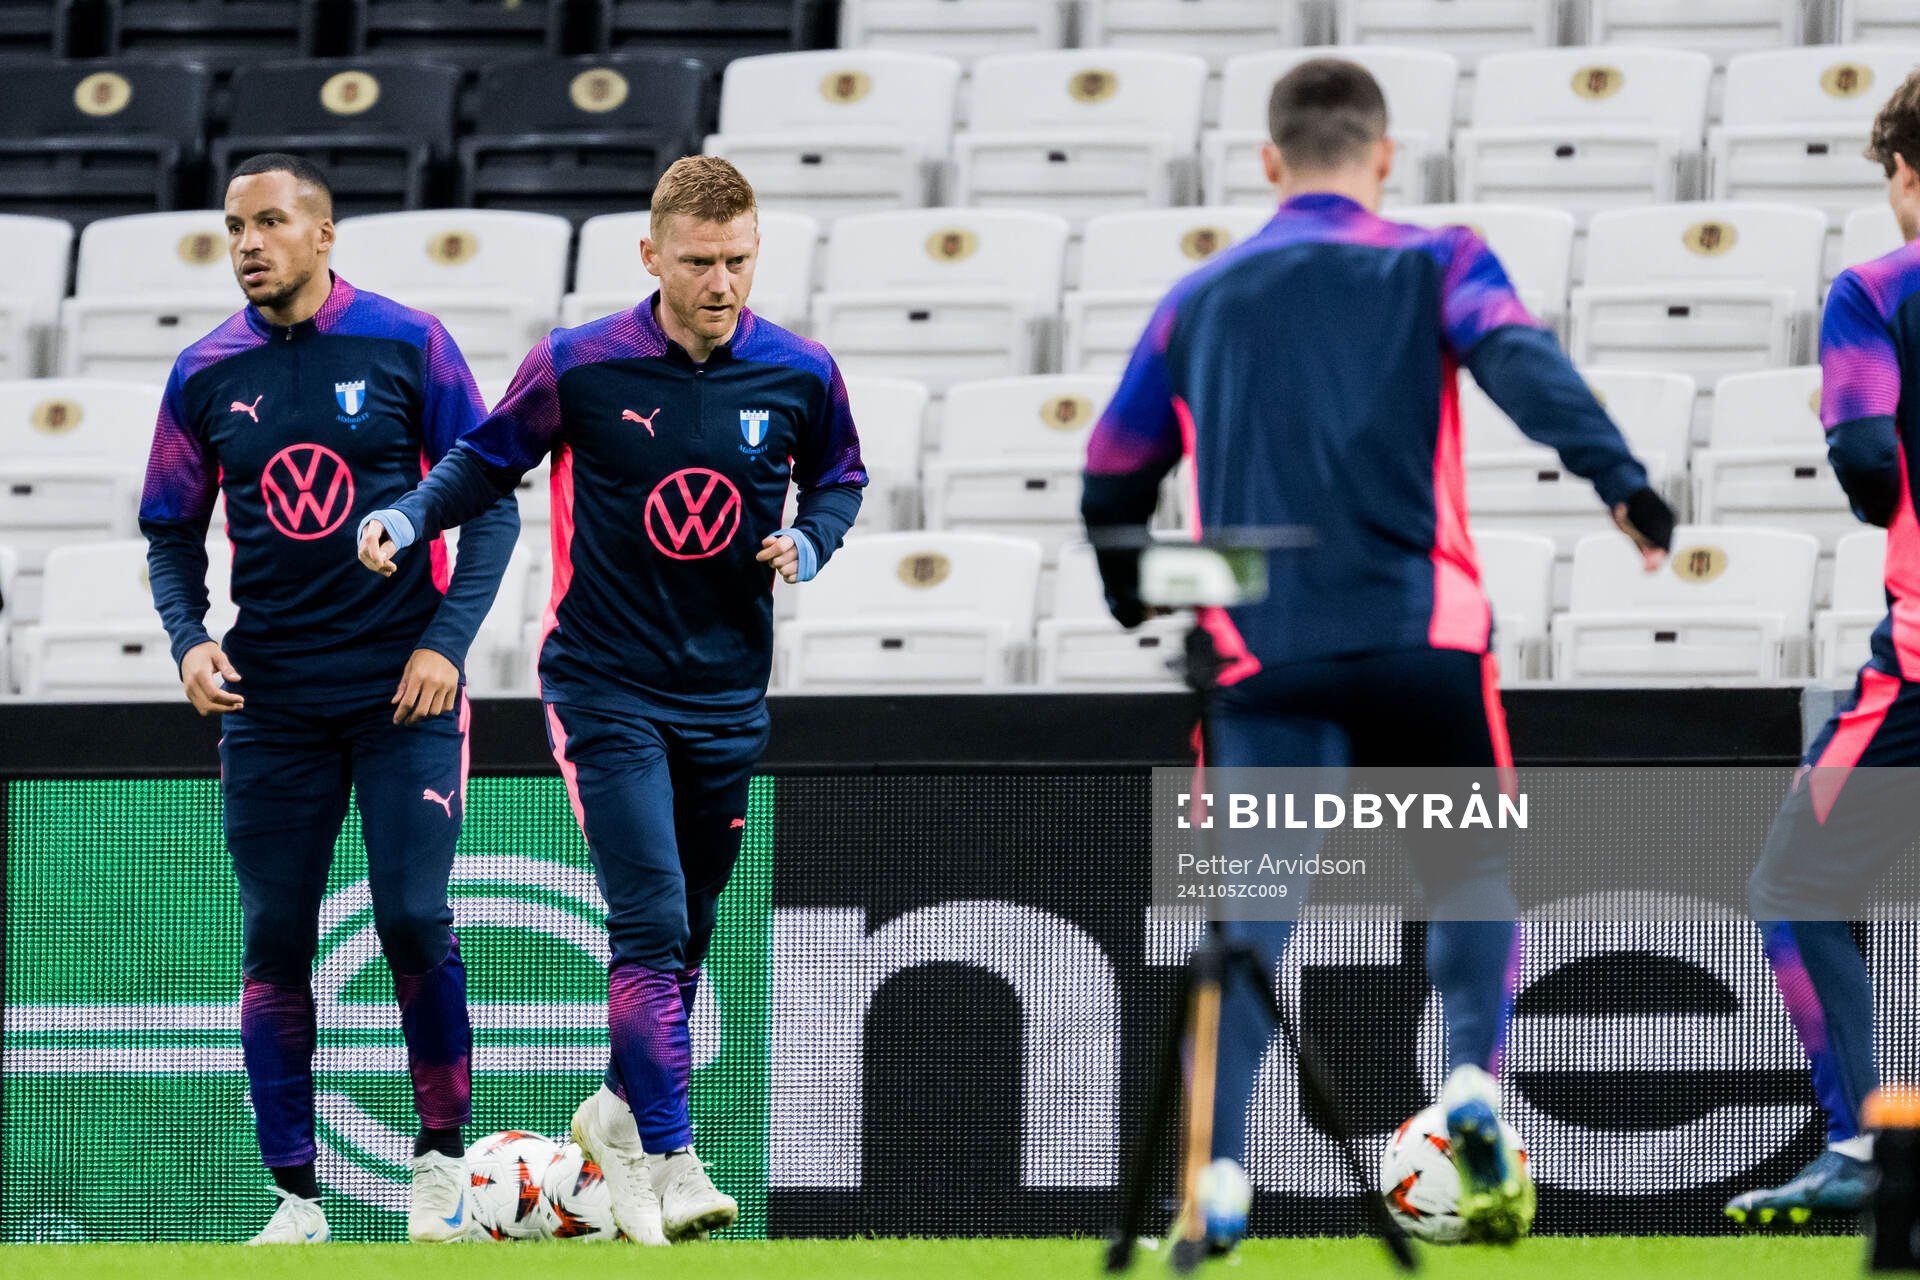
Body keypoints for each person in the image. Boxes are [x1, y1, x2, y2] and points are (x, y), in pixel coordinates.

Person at [1079, 60, 1674, 1245]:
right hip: (1422, 639)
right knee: (1472, 871)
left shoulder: (1197, 298)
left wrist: (1134, 591)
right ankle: (1470, 1078)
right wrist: (1624, 482)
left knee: (1249, 918)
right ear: (1385, 155)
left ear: (1270, 160)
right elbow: (1524, 362)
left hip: (1266, 653)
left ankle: (1216, 1178)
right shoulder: (1438, 260)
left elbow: (1111, 471)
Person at [355, 155, 867, 1245]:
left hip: (726, 692)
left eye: (738, 260)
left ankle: (614, 1116)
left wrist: (814, 539)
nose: (721, 282)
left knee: (691, 934)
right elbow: (483, 461)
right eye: (700, 261)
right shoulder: (578, 364)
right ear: (651, 257)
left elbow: (839, 477)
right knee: (652, 921)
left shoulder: (799, 370)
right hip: (603, 684)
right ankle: (673, 1161)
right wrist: (409, 515)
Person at [139, 153, 519, 1244]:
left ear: (324, 232)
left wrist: (444, 644)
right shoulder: (204, 371)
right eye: (234, 227)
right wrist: (188, 640)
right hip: (270, 702)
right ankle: (296, 1198)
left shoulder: (409, 343)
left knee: (411, 918)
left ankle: (441, 1164)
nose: (248, 243)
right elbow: (169, 532)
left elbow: (491, 504)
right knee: (275, 938)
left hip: (403, 691)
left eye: (269, 222)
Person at [1725, 69, 1920, 1228]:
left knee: (1795, 879)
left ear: (1905, 170)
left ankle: (1860, 1146)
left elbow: (1863, 451)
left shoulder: (1880, 287)